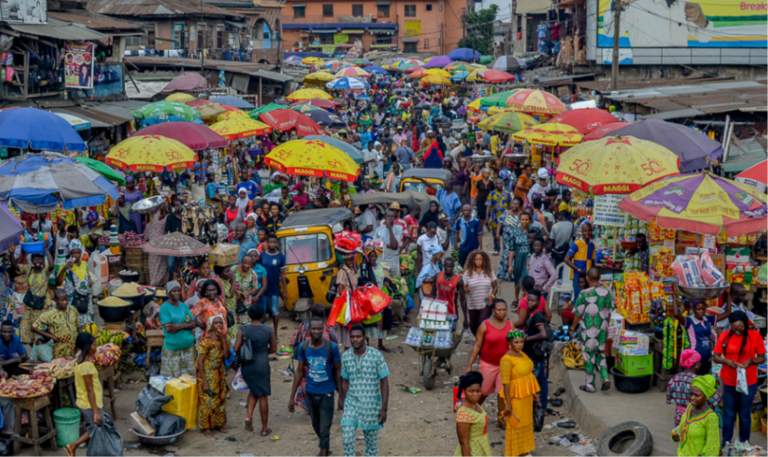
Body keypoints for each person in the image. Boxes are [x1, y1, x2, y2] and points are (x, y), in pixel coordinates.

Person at [289, 317, 342, 457]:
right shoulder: (303, 347)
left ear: (323, 329)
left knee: (325, 427)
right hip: (310, 393)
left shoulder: (332, 347)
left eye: (320, 328)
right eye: (314, 328)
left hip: (327, 393)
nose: (317, 331)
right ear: (309, 330)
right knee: (316, 425)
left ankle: (323, 452)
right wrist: (292, 397)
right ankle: (325, 446)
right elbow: (299, 371)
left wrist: (341, 396)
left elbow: (338, 371)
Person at [713, 311, 766, 445]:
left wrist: (751, 361)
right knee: (728, 414)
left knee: (744, 414)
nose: (737, 332)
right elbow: (716, 356)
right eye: (734, 329)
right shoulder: (724, 336)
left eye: (740, 329)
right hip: (728, 381)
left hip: (748, 381)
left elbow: (762, 357)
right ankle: (726, 443)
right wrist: (727, 361)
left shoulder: (755, 336)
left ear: (746, 325)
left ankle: (744, 444)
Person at [340, 324, 390, 457]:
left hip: (371, 405)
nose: (355, 339)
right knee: (347, 439)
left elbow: (384, 381)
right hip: (351, 403)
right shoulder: (345, 356)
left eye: (358, 337)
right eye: (352, 337)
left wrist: (384, 408)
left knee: (371, 444)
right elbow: (345, 381)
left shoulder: (376, 355)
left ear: (365, 338)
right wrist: (342, 400)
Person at [465, 299, 513, 427]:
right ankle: (471, 413)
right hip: (488, 364)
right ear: (493, 311)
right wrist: (469, 365)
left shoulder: (510, 325)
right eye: (499, 310)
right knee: (483, 392)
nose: (502, 312)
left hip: (504, 365)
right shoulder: (485, 325)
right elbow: (477, 345)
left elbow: (514, 345)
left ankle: (501, 419)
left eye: (504, 310)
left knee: (502, 393)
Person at [65, 333, 112, 457]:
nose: (96, 348)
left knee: (96, 428)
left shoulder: (78, 361)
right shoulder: (86, 366)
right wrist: (96, 411)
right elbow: (90, 390)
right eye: (94, 345)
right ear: (87, 347)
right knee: (98, 428)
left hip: (83, 401)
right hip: (89, 404)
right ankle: (73, 446)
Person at [236, 304, 276, 436]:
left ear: (249, 316)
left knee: (253, 390)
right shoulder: (269, 330)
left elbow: (236, 349)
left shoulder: (243, 329)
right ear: (262, 316)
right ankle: (265, 429)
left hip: (247, 364)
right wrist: (264, 352)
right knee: (262, 395)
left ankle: (249, 416)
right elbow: (274, 349)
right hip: (262, 363)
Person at [570, 268, 613, 393]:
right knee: (600, 354)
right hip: (602, 328)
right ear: (600, 279)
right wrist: (606, 327)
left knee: (588, 356)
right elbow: (609, 313)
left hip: (589, 330)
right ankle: (605, 378)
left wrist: (572, 328)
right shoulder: (606, 293)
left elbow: (578, 314)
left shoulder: (584, 294)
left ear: (587, 279)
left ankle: (590, 385)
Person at [289, 305, 338, 412]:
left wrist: (301, 354)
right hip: (324, 363)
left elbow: (293, 342)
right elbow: (335, 345)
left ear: (310, 314)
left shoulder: (302, 326)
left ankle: (310, 408)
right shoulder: (328, 329)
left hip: (306, 363)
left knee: (307, 384)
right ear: (324, 315)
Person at [673, 286, 731, 375]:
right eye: (698, 309)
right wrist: (674, 292)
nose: (701, 311)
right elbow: (676, 314)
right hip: (694, 360)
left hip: (707, 359)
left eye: (703, 309)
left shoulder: (707, 319)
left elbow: (727, 313)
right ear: (693, 309)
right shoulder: (689, 321)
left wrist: (728, 294)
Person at [501, 328, 540, 457]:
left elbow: (528, 374)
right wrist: (507, 404)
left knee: (526, 423)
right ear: (510, 342)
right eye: (516, 342)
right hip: (515, 396)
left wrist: (532, 393)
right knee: (515, 424)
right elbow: (506, 383)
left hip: (526, 395)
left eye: (521, 342)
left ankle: (524, 451)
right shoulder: (506, 359)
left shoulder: (522, 354)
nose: (519, 344)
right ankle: (515, 452)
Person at [667, 349, 721, 426]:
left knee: (680, 436)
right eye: (699, 362)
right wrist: (721, 384)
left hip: (679, 417)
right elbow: (715, 400)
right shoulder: (700, 381)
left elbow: (668, 399)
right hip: (696, 417)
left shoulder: (674, 379)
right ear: (696, 364)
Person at [12, 248, 54, 345]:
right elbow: (15, 266)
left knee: (40, 331)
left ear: (43, 260)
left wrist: (46, 250)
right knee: (27, 330)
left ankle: (40, 351)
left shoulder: (45, 271)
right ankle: (33, 350)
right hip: (30, 306)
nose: (37, 261)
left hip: (41, 307)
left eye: (40, 259)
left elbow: (52, 265)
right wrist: (11, 254)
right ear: (32, 260)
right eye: (35, 258)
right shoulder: (28, 269)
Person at [197, 314, 230, 437]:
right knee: (207, 401)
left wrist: (224, 341)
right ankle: (206, 427)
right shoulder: (206, 341)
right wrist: (205, 382)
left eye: (221, 323)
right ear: (211, 325)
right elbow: (200, 362)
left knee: (220, 399)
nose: (219, 325)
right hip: (207, 373)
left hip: (219, 372)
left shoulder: (223, 338)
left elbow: (227, 357)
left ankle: (219, 423)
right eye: (216, 323)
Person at [671, 375, 720, 457]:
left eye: (697, 395)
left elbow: (712, 446)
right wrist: (677, 436)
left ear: (706, 398)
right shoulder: (690, 407)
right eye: (691, 394)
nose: (692, 398)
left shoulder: (710, 417)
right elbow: (684, 429)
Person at [159, 281, 196, 377]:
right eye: (174, 291)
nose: (177, 293)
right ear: (168, 292)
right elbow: (169, 328)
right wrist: (185, 324)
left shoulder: (183, 306)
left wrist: (179, 326)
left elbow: (194, 323)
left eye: (178, 290)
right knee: (173, 379)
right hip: (173, 348)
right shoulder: (164, 307)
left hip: (187, 346)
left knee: (188, 378)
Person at [32, 288, 80, 358]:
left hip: (73, 348)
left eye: (66, 299)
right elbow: (34, 328)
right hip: (58, 350)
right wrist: (50, 336)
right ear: (55, 300)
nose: (65, 302)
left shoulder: (73, 310)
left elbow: (78, 325)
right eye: (61, 300)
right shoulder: (49, 314)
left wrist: (80, 340)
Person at [454, 371, 493, 457]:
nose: (475, 394)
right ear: (464, 391)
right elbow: (464, 443)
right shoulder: (464, 414)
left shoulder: (475, 404)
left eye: (478, 391)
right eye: (471, 391)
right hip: (472, 452)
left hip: (481, 447)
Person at [499, 212, 534, 306]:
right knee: (517, 278)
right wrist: (510, 265)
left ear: (529, 220)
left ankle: (526, 299)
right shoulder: (514, 232)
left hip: (529, 258)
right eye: (522, 219)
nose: (524, 221)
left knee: (526, 277)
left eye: (526, 219)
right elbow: (511, 249)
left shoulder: (533, 230)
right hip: (518, 257)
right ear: (519, 220)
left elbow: (543, 238)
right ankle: (516, 298)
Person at [56, 239, 93, 325]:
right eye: (73, 253)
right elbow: (58, 283)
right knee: (74, 324)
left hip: (85, 299)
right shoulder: (65, 266)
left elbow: (86, 279)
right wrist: (64, 269)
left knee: (87, 324)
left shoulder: (85, 265)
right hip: (73, 301)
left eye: (78, 252)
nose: (76, 255)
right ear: (70, 253)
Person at [462, 250, 498, 336]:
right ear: (472, 261)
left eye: (480, 259)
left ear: (484, 260)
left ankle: (481, 346)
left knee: (481, 325)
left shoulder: (489, 272)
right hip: (473, 304)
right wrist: (465, 289)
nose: (478, 261)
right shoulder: (467, 273)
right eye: (476, 259)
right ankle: (480, 342)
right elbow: (464, 287)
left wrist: (492, 295)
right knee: (473, 327)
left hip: (485, 303)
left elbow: (495, 287)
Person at [259, 235, 286, 340]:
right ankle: (262, 333)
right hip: (263, 287)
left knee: (275, 310)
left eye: (274, 242)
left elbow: (283, 274)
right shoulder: (262, 256)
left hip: (274, 286)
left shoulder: (280, 256)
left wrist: (285, 291)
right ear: (267, 242)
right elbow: (258, 270)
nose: (272, 244)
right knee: (263, 310)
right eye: (270, 242)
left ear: (277, 244)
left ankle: (275, 333)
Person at [564, 222, 596, 298]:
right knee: (578, 297)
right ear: (582, 231)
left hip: (587, 276)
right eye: (585, 230)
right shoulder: (576, 244)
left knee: (587, 298)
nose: (587, 232)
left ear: (592, 231)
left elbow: (592, 261)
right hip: (577, 276)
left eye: (589, 230)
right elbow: (566, 259)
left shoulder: (592, 245)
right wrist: (578, 269)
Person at [335, 252, 358, 350]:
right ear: (344, 260)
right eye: (348, 260)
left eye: (352, 259)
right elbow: (341, 291)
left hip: (352, 300)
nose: (350, 262)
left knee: (352, 325)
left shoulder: (352, 270)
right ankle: (347, 351)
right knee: (347, 326)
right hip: (346, 302)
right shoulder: (342, 271)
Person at [373, 209, 403, 278]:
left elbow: (394, 246)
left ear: (394, 218)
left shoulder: (399, 229)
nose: (389, 218)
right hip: (380, 259)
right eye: (388, 216)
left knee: (394, 279)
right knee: (381, 278)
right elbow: (375, 245)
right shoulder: (379, 229)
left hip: (393, 258)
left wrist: (390, 229)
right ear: (385, 218)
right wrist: (387, 245)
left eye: (391, 216)